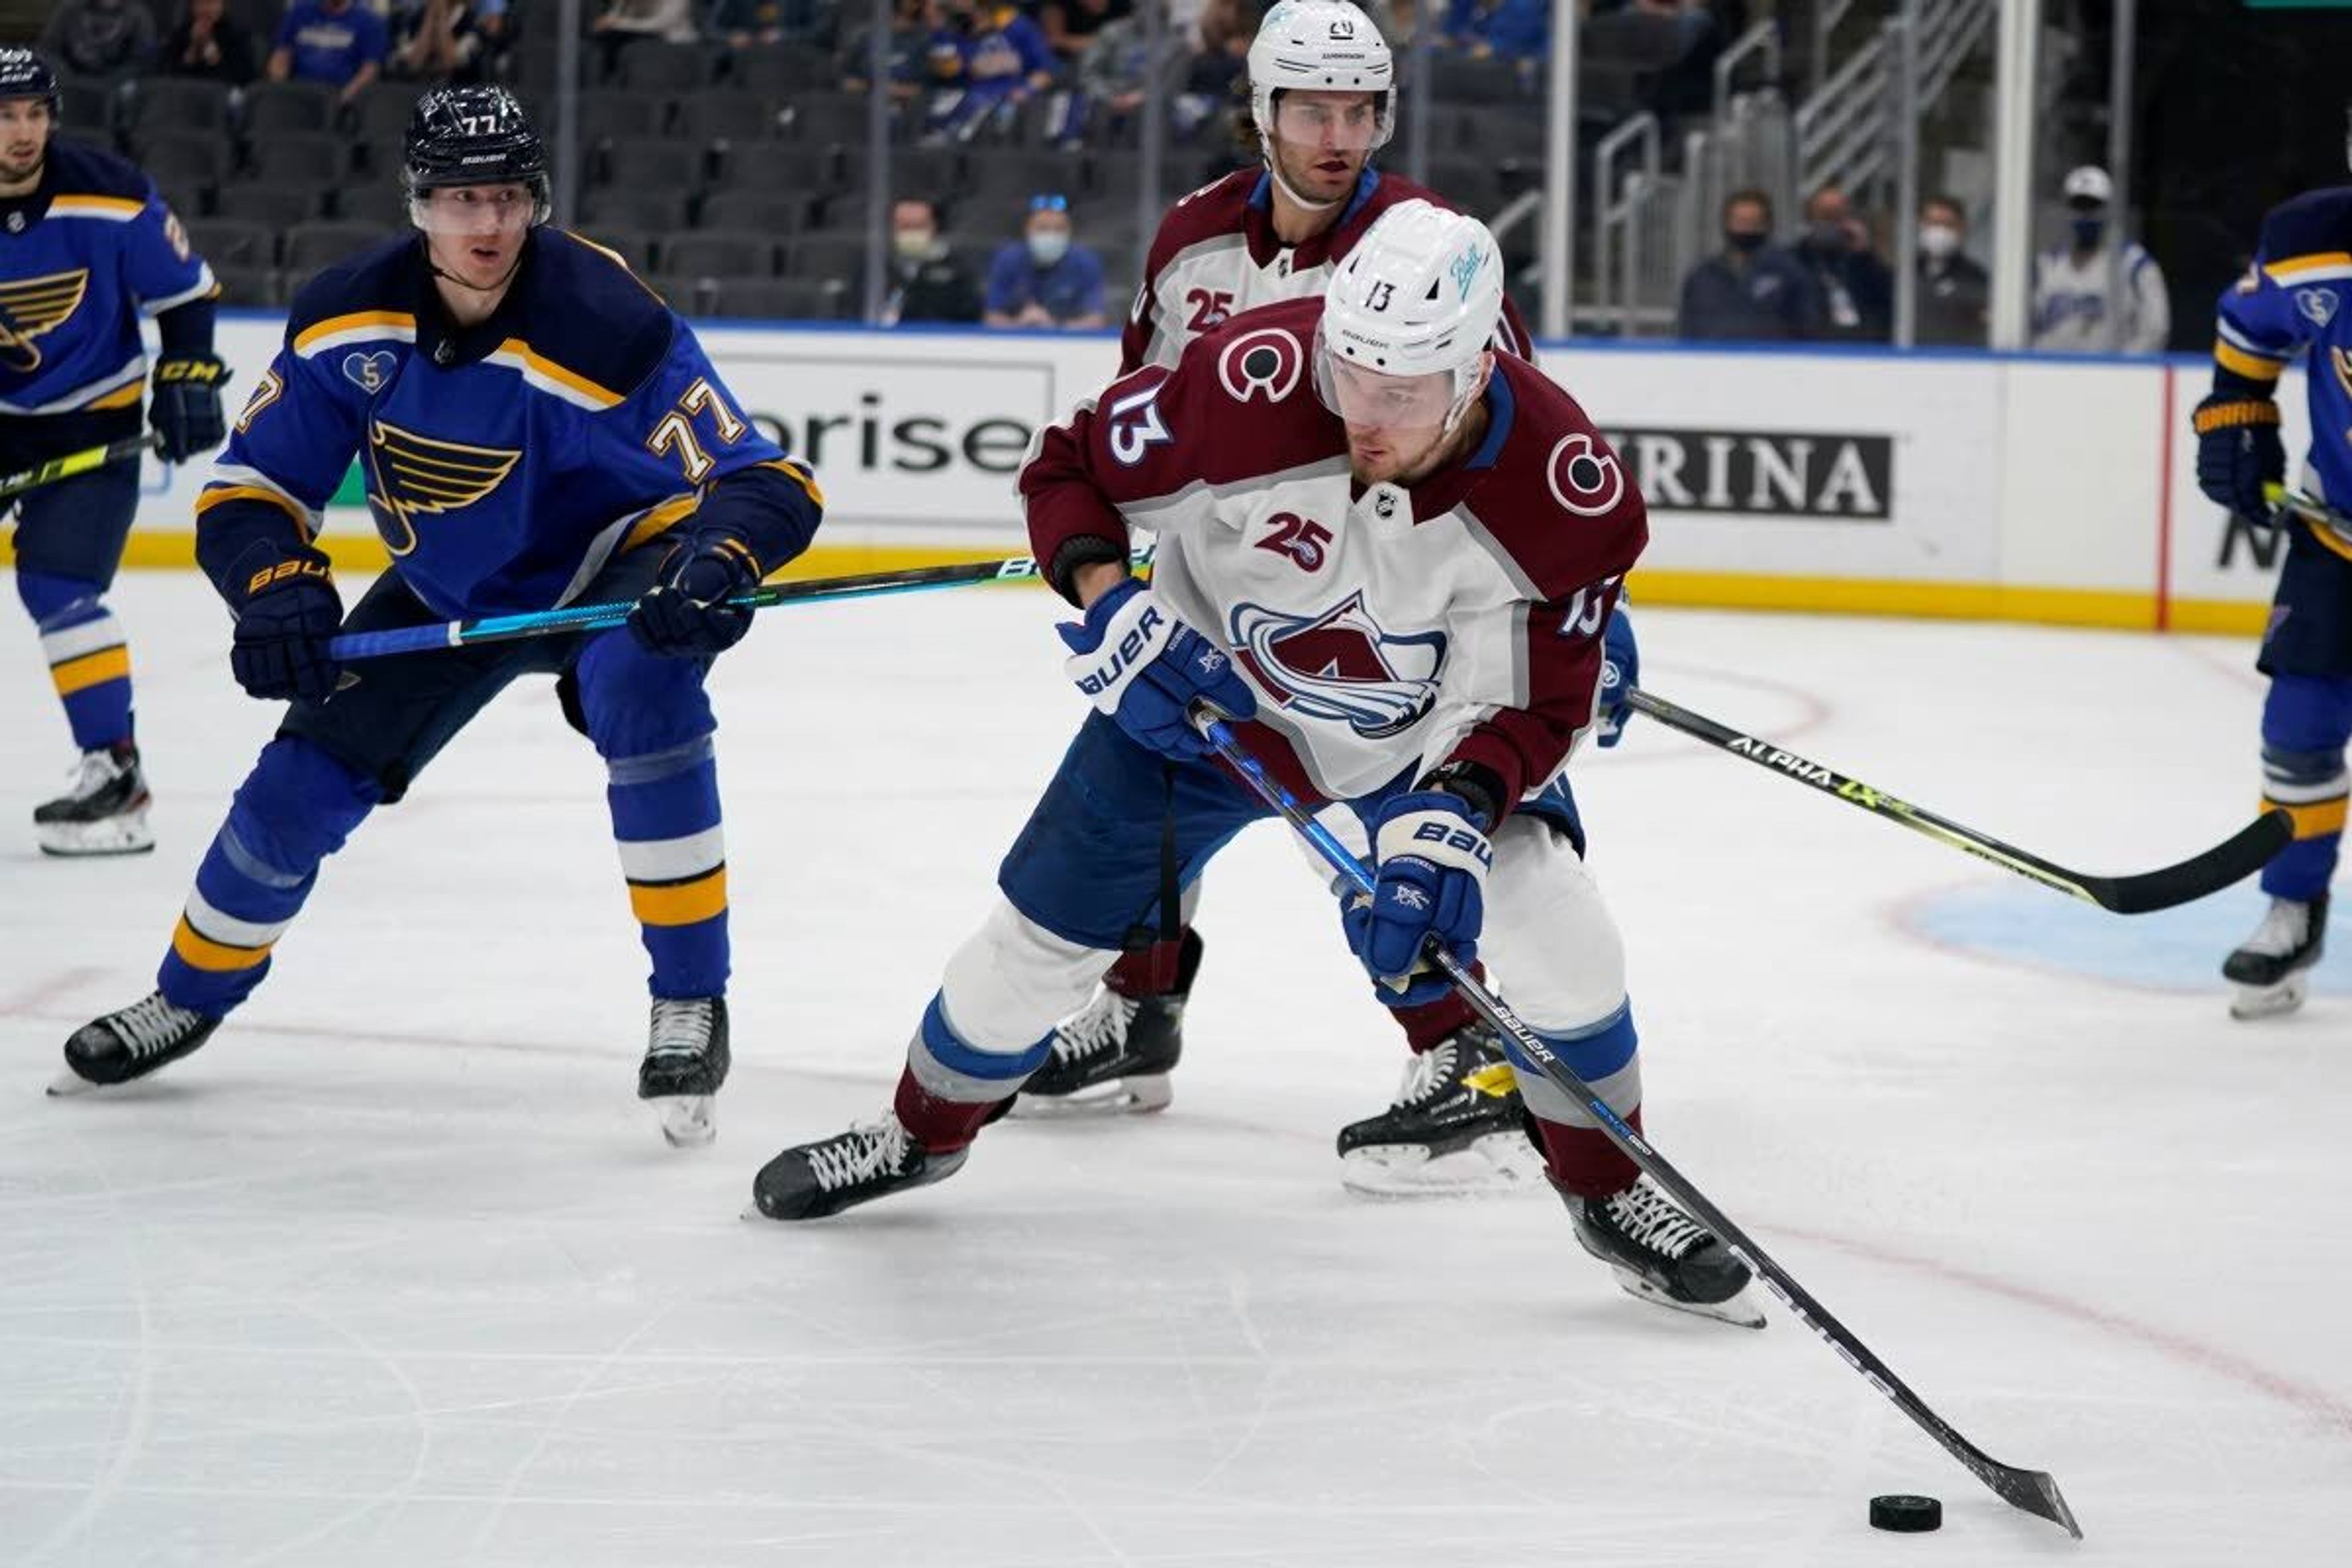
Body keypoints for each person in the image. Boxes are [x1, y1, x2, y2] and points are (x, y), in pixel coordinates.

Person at [748, 202, 1761, 1331]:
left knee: (1564, 935)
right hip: (1192, 709)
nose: (1362, 414)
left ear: (1478, 370)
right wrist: (1112, 601)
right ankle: (918, 1136)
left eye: (1403, 391)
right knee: (1029, 952)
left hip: (1410, 743)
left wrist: (1451, 819)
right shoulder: (1253, 378)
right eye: (1352, 374)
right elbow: (1067, 470)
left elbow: (1531, 704)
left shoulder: (1566, 490)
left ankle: (1611, 1189)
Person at [52, 87, 824, 1150]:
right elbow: (250, 493)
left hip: (612, 563)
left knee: (645, 690)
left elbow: (764, 478)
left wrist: (718, 560)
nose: (488, 225)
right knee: (294, 789)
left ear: (536, 201)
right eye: (462, 199)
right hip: (450, 584)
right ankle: (187, 995)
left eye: (508, 196)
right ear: (418, 206)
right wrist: (276, 586)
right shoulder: (347, 318)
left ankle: (690, 1001)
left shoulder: (607, 320)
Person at [1053, 0, 1629, 1202]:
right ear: (1262, 110)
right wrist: (1112, 543)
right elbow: (1143, 401)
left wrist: (1587, 618)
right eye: (1314, 107)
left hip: (1396, 597)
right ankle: (1141, 1004)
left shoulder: (1424, 249)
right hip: (1239, 568)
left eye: (1361, 108)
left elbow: (1507, 435)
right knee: (1162, 784)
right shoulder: (1192, 240)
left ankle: (1468, 1037)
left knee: (1389, 819)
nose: (1339, 132)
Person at [0, 47, 225, 857]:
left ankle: (116, 777)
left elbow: (187, 295)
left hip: (96, 420)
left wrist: (188, 376)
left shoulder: (111, 195)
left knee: (58, 585)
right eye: (4, 116)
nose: (22, 133)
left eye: (34, 114)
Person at [2191, 153, 2352, 1020]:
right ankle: (2294, 908)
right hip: (2340, 540)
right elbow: (2250, 336)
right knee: (2299, 726)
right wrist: (2239, 418)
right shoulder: (2316, 239)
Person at [2029, 164, 2169, 354]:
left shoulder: (2135, 265)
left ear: (2109, 210)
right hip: (2051, 373)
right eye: (2078, 206)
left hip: (2112, 377)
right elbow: (2026, 326)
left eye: (2093, 206)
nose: (2086, 214)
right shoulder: (2046, 265)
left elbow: (2156, 329)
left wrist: (2123, 367)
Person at [1676, 187, 1819, 342]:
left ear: (1768, 226)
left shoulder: (1790, 274)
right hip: (1714, 362)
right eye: (1740, 222)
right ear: (1726, 224)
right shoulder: (1701, 276)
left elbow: (1807, 329)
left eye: (1754, 223)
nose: (1746, 229)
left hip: (1770, 363)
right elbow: (1687, 329)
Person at [982, 192, 1106, 329]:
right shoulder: (1007, 260)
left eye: (1059, 229)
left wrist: (1055, 326)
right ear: (1028, 230)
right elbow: (991, 317)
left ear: (1069, 232)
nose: (1051, 235)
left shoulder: (1085, 263)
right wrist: (1019, 324)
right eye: (1043, 228)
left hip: (1066, 343)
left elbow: (1096, 320)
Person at [1792, 181, 1891, 344]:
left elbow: (1887, 303)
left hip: (1859, 348)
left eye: (1837, 216)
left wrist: (1864, 254)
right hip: (1810, 348)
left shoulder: (1865, 264)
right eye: (1825, 216)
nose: (1831, 223)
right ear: (1810, 219)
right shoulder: (1794, 261)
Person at [880, 197, 983, 323]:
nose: (912, 234)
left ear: (935, 227)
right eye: (905, 227)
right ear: (893, 228)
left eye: (918, 227)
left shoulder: (957, 272)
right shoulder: (875, 270)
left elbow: (972, 319)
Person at [266, 0, 388, 105]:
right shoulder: (299, 12)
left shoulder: (370, 21)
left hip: (340, 94)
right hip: (298, 91)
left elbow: (370, 70)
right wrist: (279, 88)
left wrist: (345, 97)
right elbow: (281, 55)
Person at [1915, 192, 1988, 348]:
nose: (1939, 231)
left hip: (1958, 364)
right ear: (1921, 225)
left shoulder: (1976, 278)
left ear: (1962, 229)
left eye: (1947, 225)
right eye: (1932, 223)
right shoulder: (1904, 275)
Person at [41, 0, 159, 80]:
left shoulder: (138, 15)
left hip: (117, 88)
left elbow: (145, 60)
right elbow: (48, 49)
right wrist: (65, 75)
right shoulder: (70, 9)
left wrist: (115, 79)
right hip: (71, 84)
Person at [161, 0, 259, 85]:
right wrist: (192, 51)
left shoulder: (237, 36)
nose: (205, 10)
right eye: (200, 4)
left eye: (211, 3)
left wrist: (212, 54)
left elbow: (244, 81)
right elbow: (167, 78)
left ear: (222, 5)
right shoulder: (179, 36)